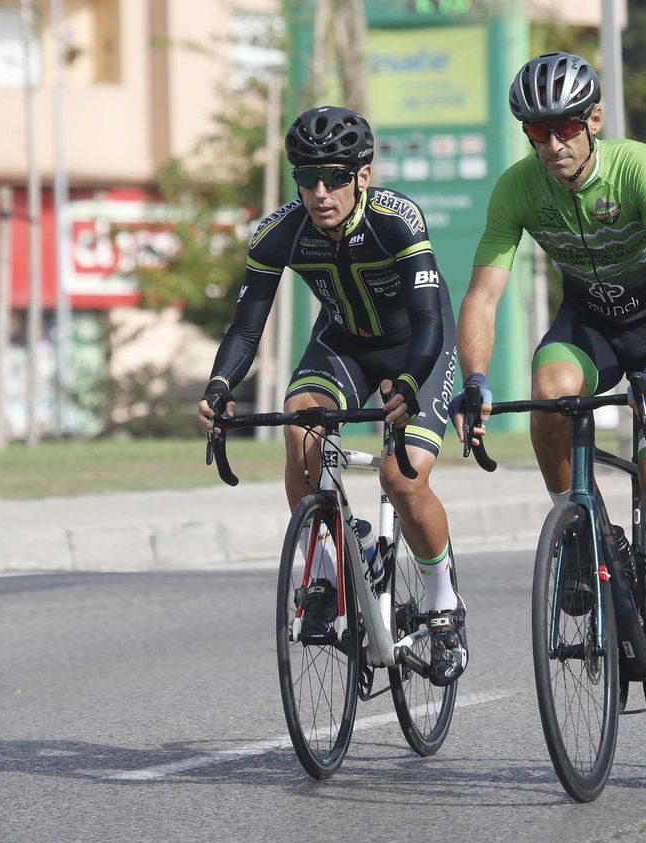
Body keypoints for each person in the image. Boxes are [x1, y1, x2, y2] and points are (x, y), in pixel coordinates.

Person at [452, 52, 646, 742]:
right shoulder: (517, 189)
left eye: (565, 127)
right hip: (590, 325)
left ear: (593, 120)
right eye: (537, 132)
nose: (552, 145)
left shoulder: (638, 168)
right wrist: (475, 379)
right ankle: (584, 532)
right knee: (548, 392)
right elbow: (483, 294)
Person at [197, 106, 468, 686]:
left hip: (417, 345)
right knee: (301, 430)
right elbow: (247, 327)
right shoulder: (280, 232)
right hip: (342, 343)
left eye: (335, 178)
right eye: (307, 178)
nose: (320, 193)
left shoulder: (398, 220)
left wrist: (414, 381)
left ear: (362, 176)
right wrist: (220, 388)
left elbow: (427, 317)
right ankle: (325, 571)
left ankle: (444, 605)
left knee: (403, 479)